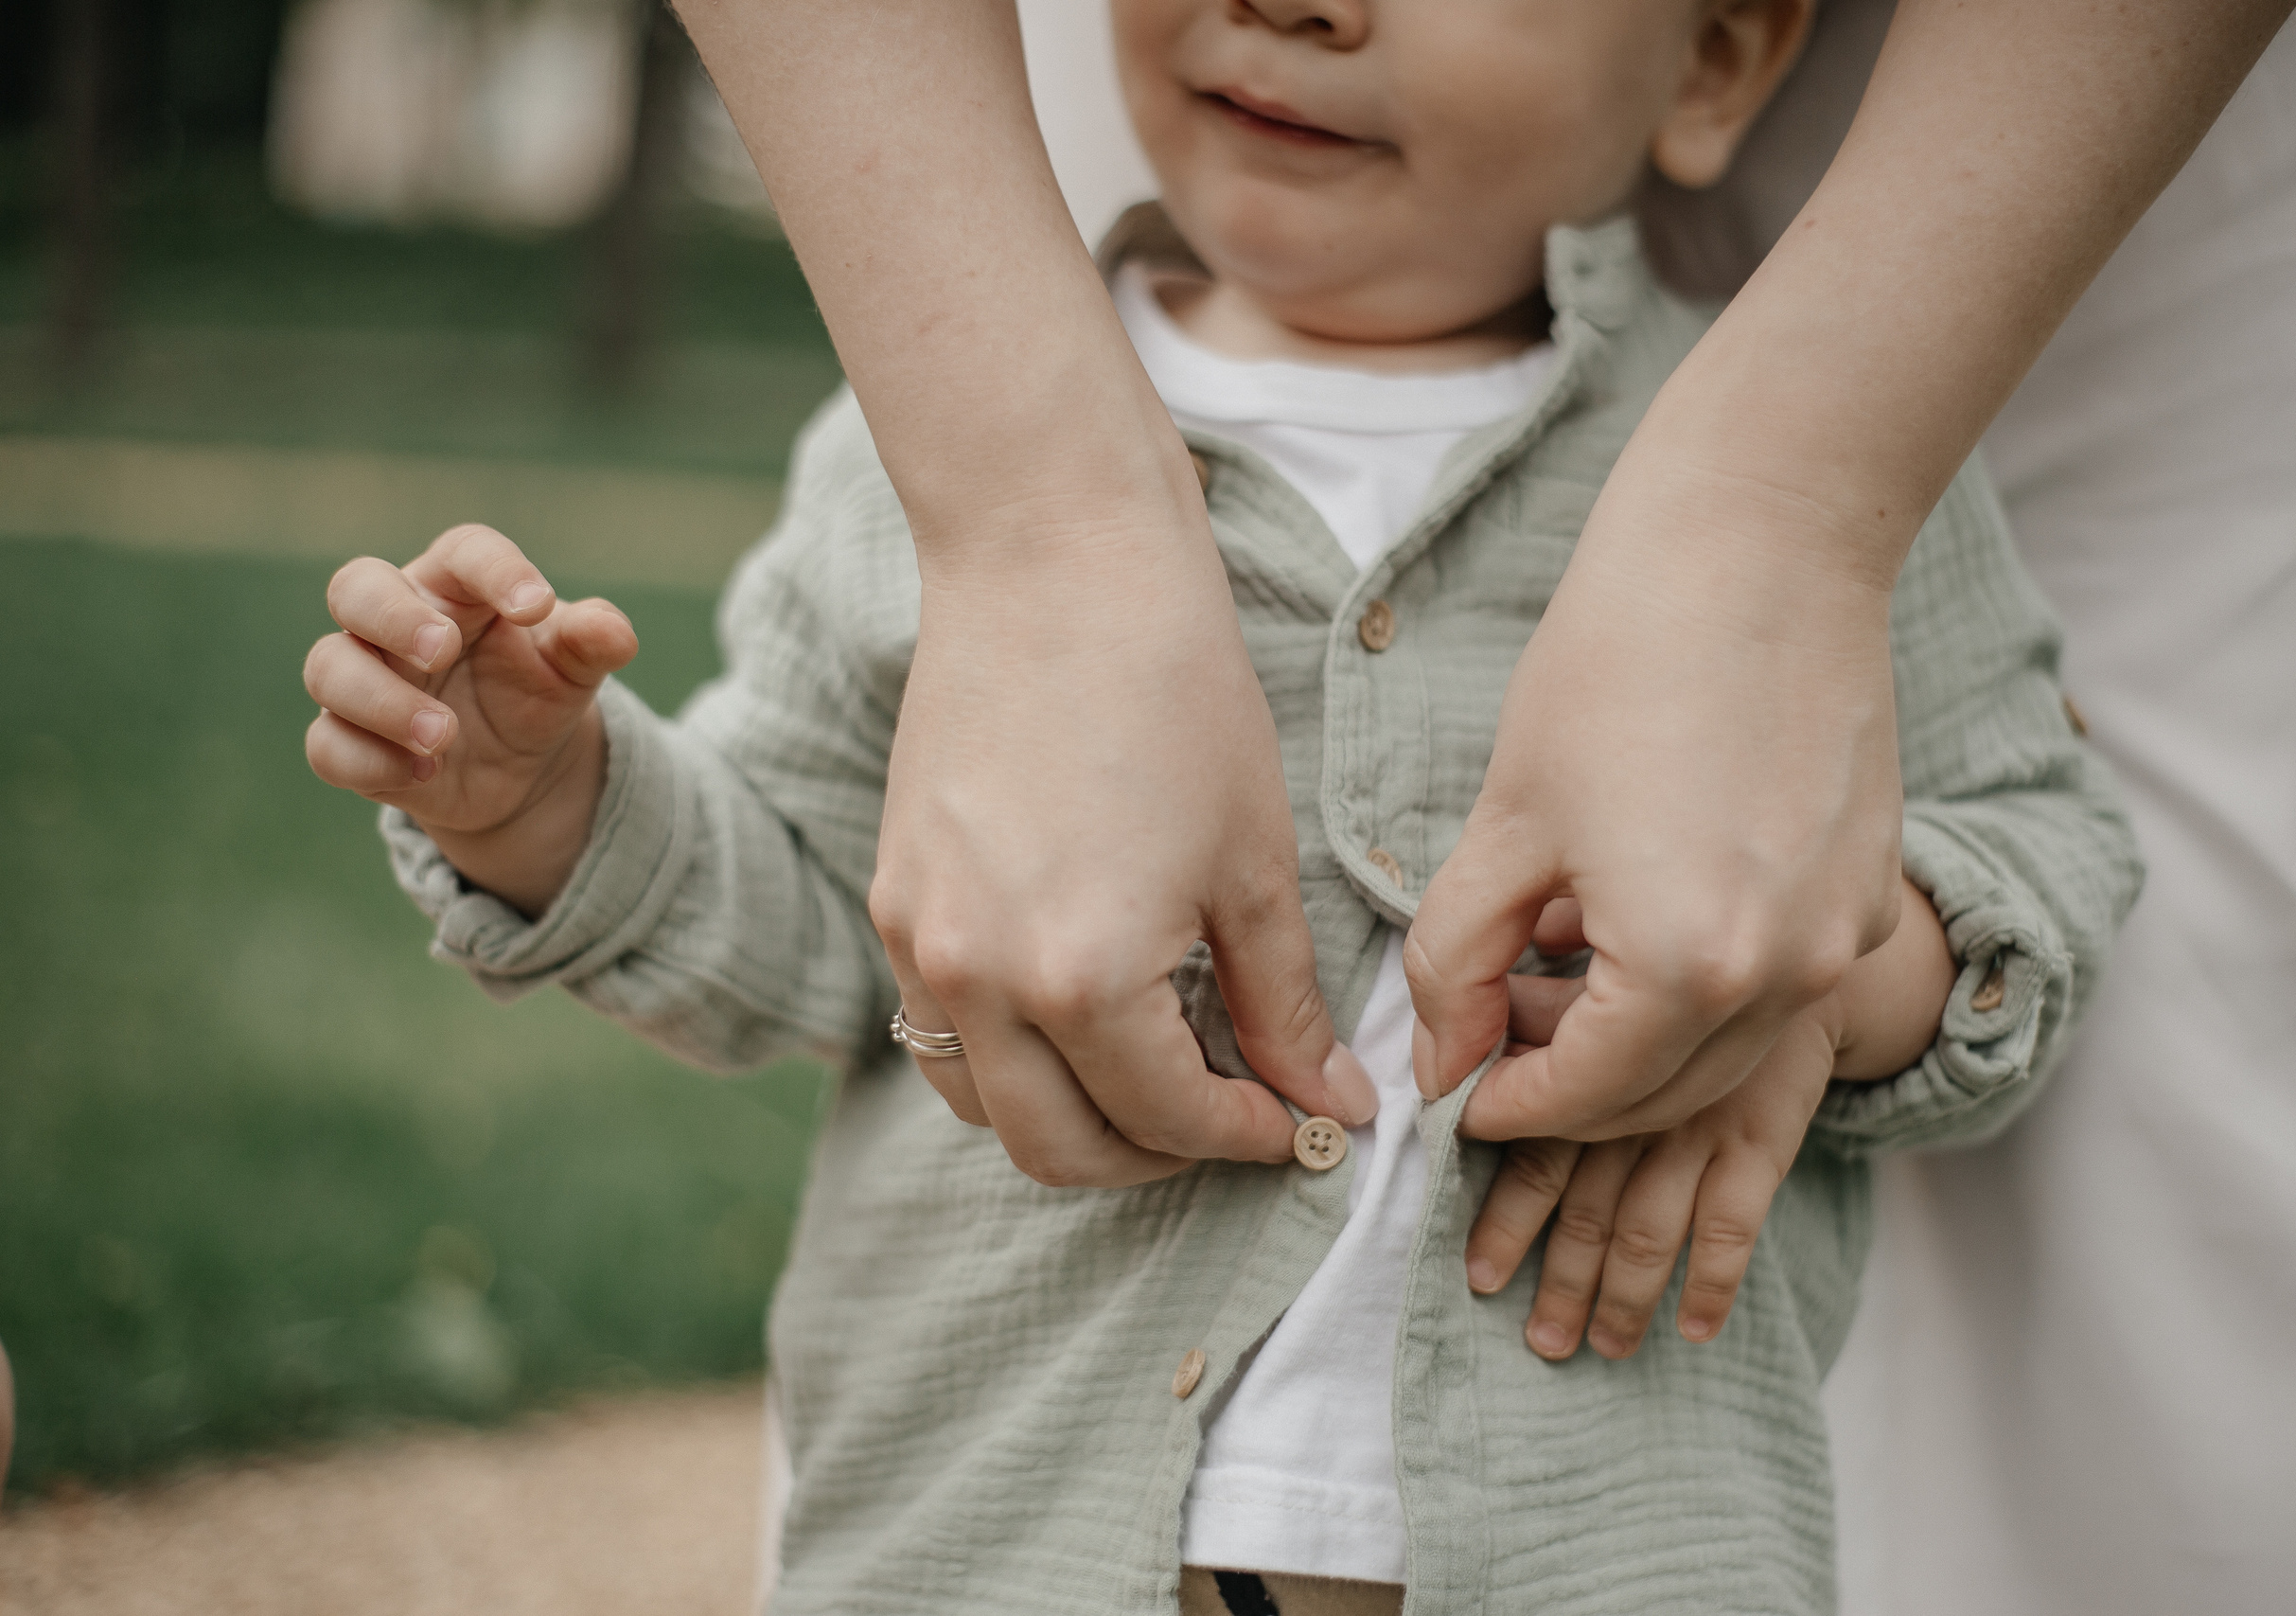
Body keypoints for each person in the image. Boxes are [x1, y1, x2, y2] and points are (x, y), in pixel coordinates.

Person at [303, 0, 2143, 1608]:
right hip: (978, 1545)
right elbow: (793, 920)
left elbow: (2031, 878)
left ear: (1715, 50)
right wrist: (540, 800)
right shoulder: (921, 447)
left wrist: (1832, 968)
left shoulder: (1820, 499)